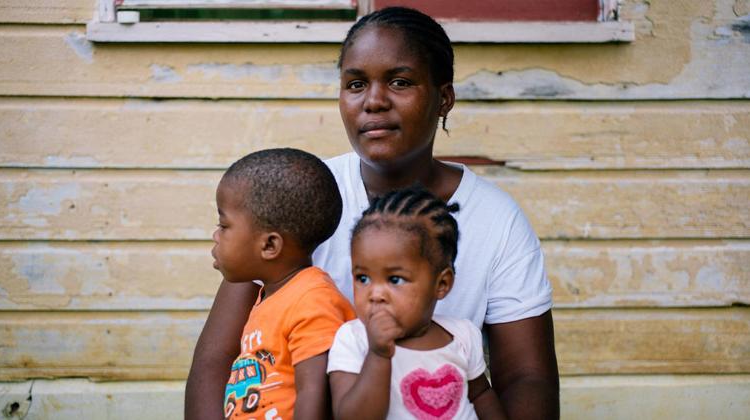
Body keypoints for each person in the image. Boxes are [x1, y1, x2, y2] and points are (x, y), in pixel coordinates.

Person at [186, 7, 559, 419]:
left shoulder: (496, 220)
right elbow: (215, 361)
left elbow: (528, 377)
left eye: (400, 82)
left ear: (444, 98)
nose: (374, 102)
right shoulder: (300, 194)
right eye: (356, 84)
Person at [327, 187, 506, 419]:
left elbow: (480, 394)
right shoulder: (353, 340)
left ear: (442, 284)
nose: (375, 294)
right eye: (362, 278)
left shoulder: (462, 335)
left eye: (395, 279)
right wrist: (378, 355)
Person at [210, 148, 355, 419]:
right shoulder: (270, 296)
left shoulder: (313, 300)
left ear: (270, 245)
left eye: (224, 225)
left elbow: (314, 392)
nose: (216, 236)